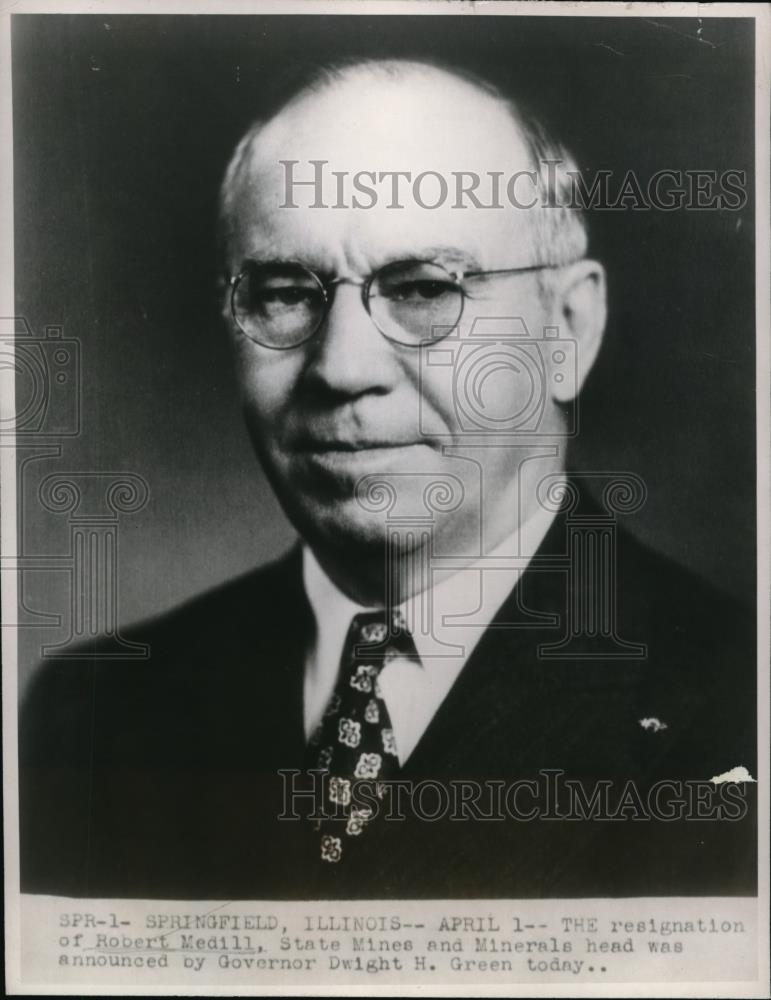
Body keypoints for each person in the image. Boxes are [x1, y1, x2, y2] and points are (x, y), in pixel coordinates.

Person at [20, 58, 756, 900]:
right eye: (285, 293)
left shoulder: (736, 703)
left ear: (565, 330)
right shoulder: (92, 713)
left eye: (420, 288)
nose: (340, 367)